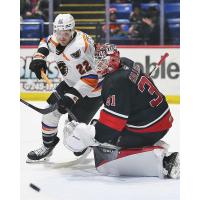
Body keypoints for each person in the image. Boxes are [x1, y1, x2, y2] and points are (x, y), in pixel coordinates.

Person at [63, 43, 179, 178]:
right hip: (160, 118)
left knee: (107, 143)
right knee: (97, 126)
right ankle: (148, 143)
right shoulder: (126, 62)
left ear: (112, 61)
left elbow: (109, 129)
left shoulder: (115, 82)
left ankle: (165, 162)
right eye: (97, 61)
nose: (98, 66)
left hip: (148, 128)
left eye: (101, 62)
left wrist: (86, 135)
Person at [27, 14, 103, 162]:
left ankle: (92, 135)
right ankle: (47, 147)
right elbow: (45, 42)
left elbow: (92, 77)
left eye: (66, 33)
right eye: (59, 32)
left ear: (72, 30)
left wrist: (70, 97)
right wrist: (38, 58)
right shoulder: (57, 37)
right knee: (50, 112)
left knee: (73, 138)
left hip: (93, 91)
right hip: (70, 82)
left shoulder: (81, 47)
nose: (62, 37)